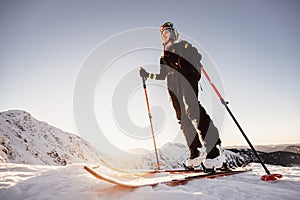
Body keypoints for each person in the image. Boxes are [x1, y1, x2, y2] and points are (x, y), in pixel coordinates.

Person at [139, 22, 224, 169]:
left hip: (187, 81)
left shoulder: (182, 46)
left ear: (174, 34)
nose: (165, 35)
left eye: (168, 32)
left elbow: (197, 55)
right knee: (183, 119)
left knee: (193, 110)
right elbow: (161, 75)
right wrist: (147, 75)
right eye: (163, 34)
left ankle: (215, 151)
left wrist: (193, 54)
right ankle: (195, 151)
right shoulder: (164, 57)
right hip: (173, 88)